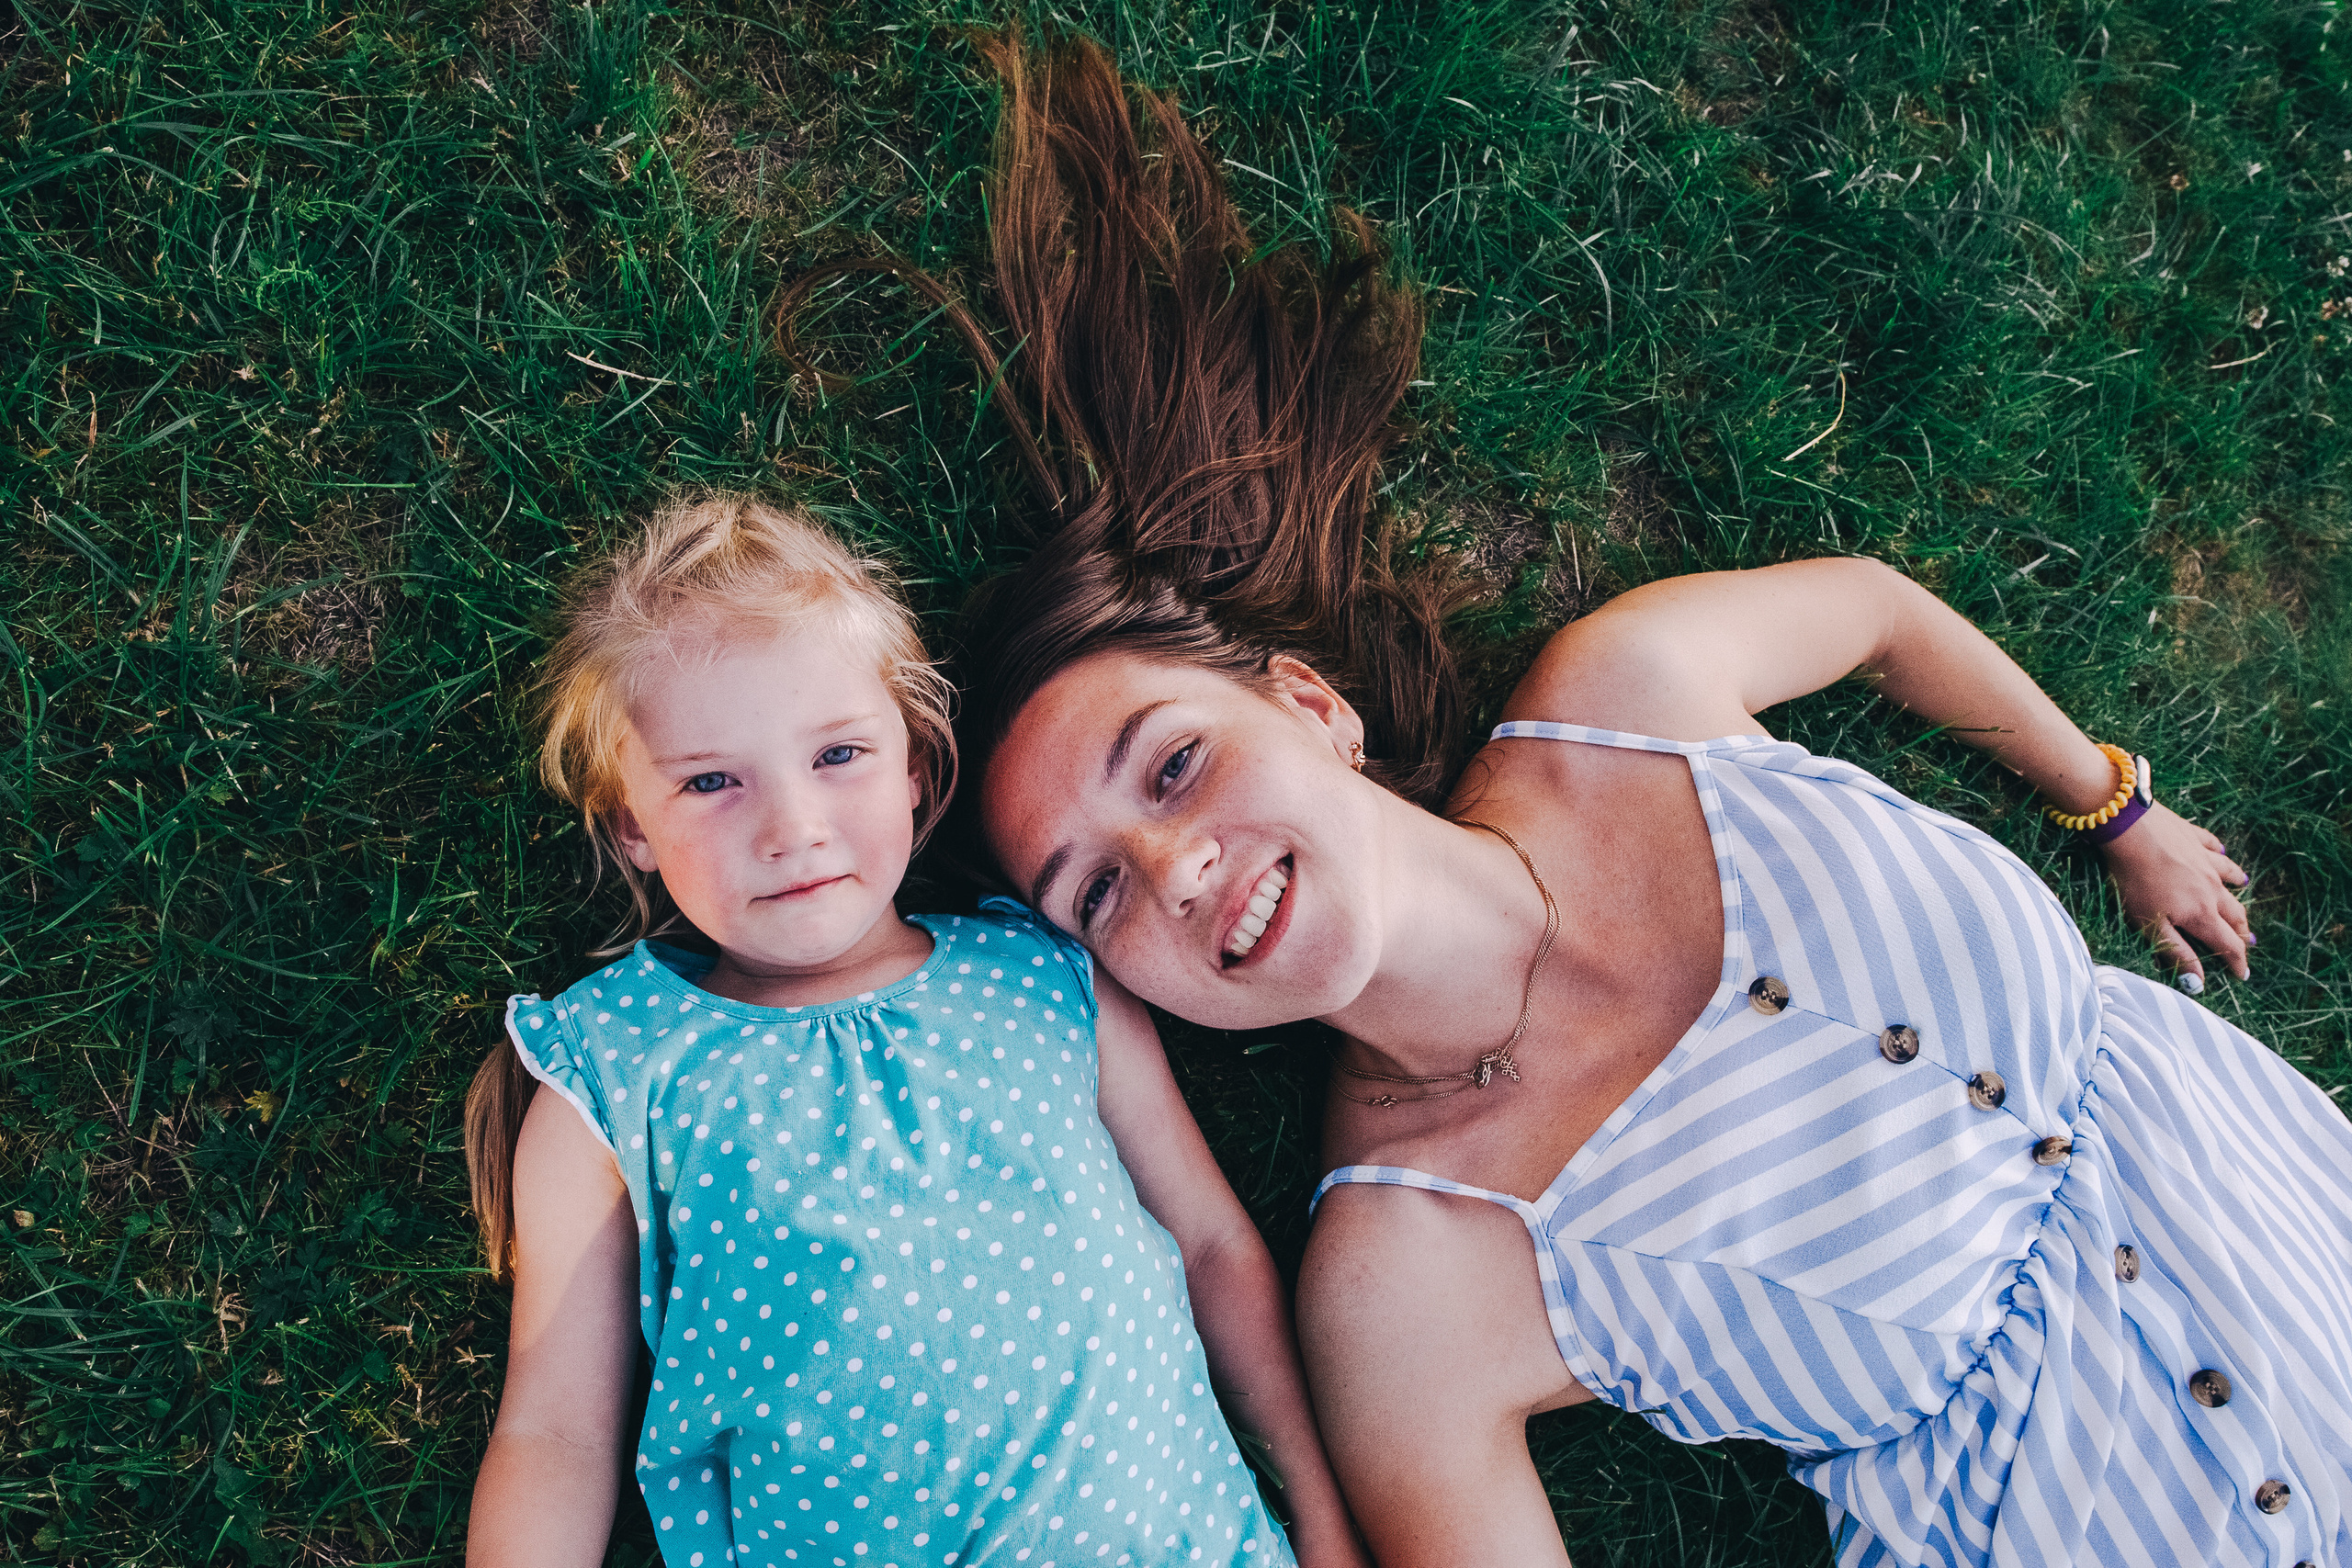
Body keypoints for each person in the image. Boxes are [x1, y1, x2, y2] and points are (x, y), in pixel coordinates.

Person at [939, 30, 2352, 1568]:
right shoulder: (1400, 1286)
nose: (1173, 868)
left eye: (1171, 762)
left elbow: (1874, 608)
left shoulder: (1620, 699)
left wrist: (2108, 801)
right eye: (1093, 893)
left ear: (1310, 705)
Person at [458, 495, 1367, 1568]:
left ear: (915, 770)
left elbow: (1211, 1247)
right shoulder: (613, 1071)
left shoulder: (1045, 977)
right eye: (710, 782)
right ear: (631, 827)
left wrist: (1318, 1510)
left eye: (837, 755)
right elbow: (555, 1432)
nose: (792, 827)